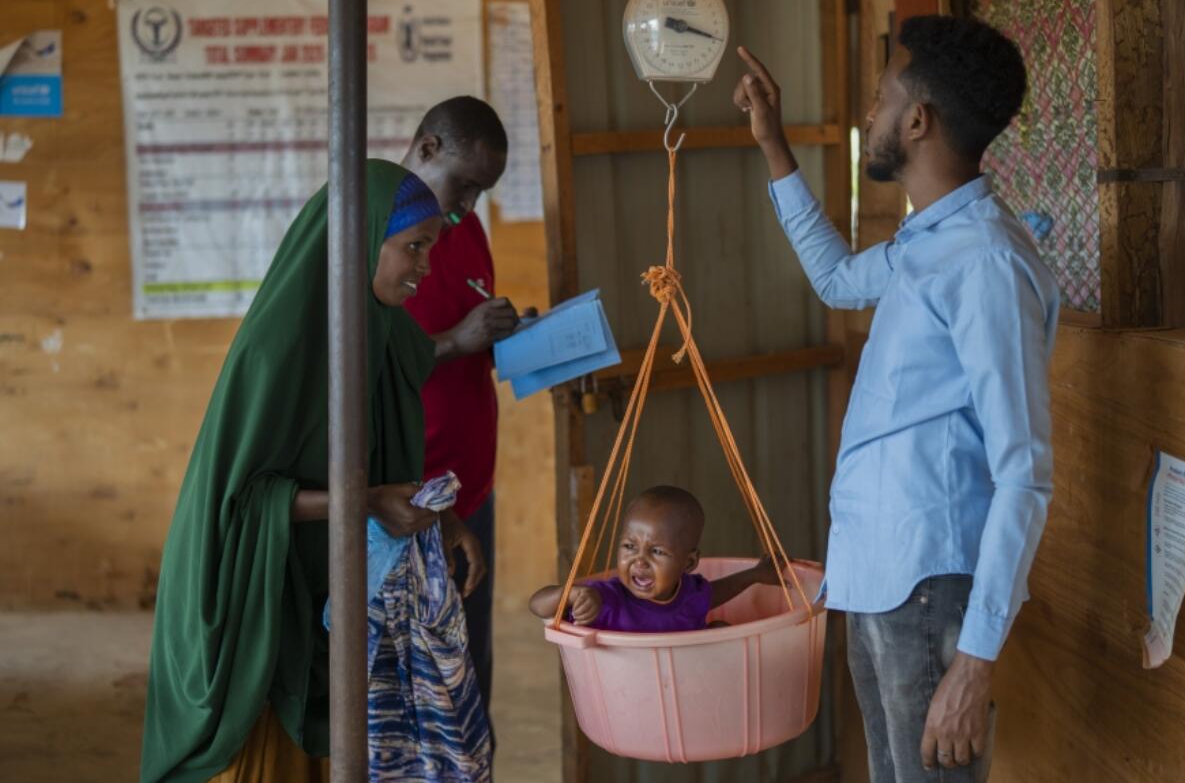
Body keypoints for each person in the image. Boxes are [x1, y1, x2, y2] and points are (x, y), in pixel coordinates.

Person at [734, 16, 1059, 782]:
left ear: (918, 121)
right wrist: (772, 143)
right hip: (880, 577)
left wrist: (975, 660)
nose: (869, 117)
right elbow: (839, 280)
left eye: (880, 99)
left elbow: (1024, 473)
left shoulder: (984, 261)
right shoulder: (929, 243)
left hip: (929, 587)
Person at [140, 162, 486, 783]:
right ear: (357, 242)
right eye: (413, 248)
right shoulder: (277, 351)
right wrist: (368, 501)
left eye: (429, 249)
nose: (424, 268)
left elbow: (382, 462)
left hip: (311, 594)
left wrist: (441, 514)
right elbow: (240, 506)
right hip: (247, 601)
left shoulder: (379, 331)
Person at [400, 96, 535, 728]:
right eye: (465, 186)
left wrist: (511, 334)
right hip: (406, 497)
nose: (468, 207)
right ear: (427, 149)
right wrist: (456, 339)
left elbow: (466, 333)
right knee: (415, 686)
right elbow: (361, 365)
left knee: (468, 676)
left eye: (481, 193)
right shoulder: (379, 235)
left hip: (470, 488)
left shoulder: (465, 227)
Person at [528, 485, 785, 632]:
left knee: (720, 628)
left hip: (686, 692)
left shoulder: (690, 595)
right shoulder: (605, 599)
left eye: (657, 552)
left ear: (689, 563)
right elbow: (537, 605)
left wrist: (756, 575)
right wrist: (571, 594)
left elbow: (716, 593)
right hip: (629, 696)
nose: (639, 561)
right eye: (629, 546)